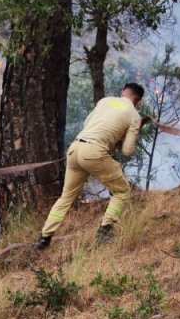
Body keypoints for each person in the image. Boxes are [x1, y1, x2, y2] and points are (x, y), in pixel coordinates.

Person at [35, 83, 145, 250]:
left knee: (66, 197)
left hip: (75, 148)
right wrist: (120, 138)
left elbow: (88, 122)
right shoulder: (134, 115)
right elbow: (128, 151)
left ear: (123, 92)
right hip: (95, 153)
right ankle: (105, 231)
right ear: (138, 101)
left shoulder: (106, 101)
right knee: (122, 191)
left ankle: (44, 237)